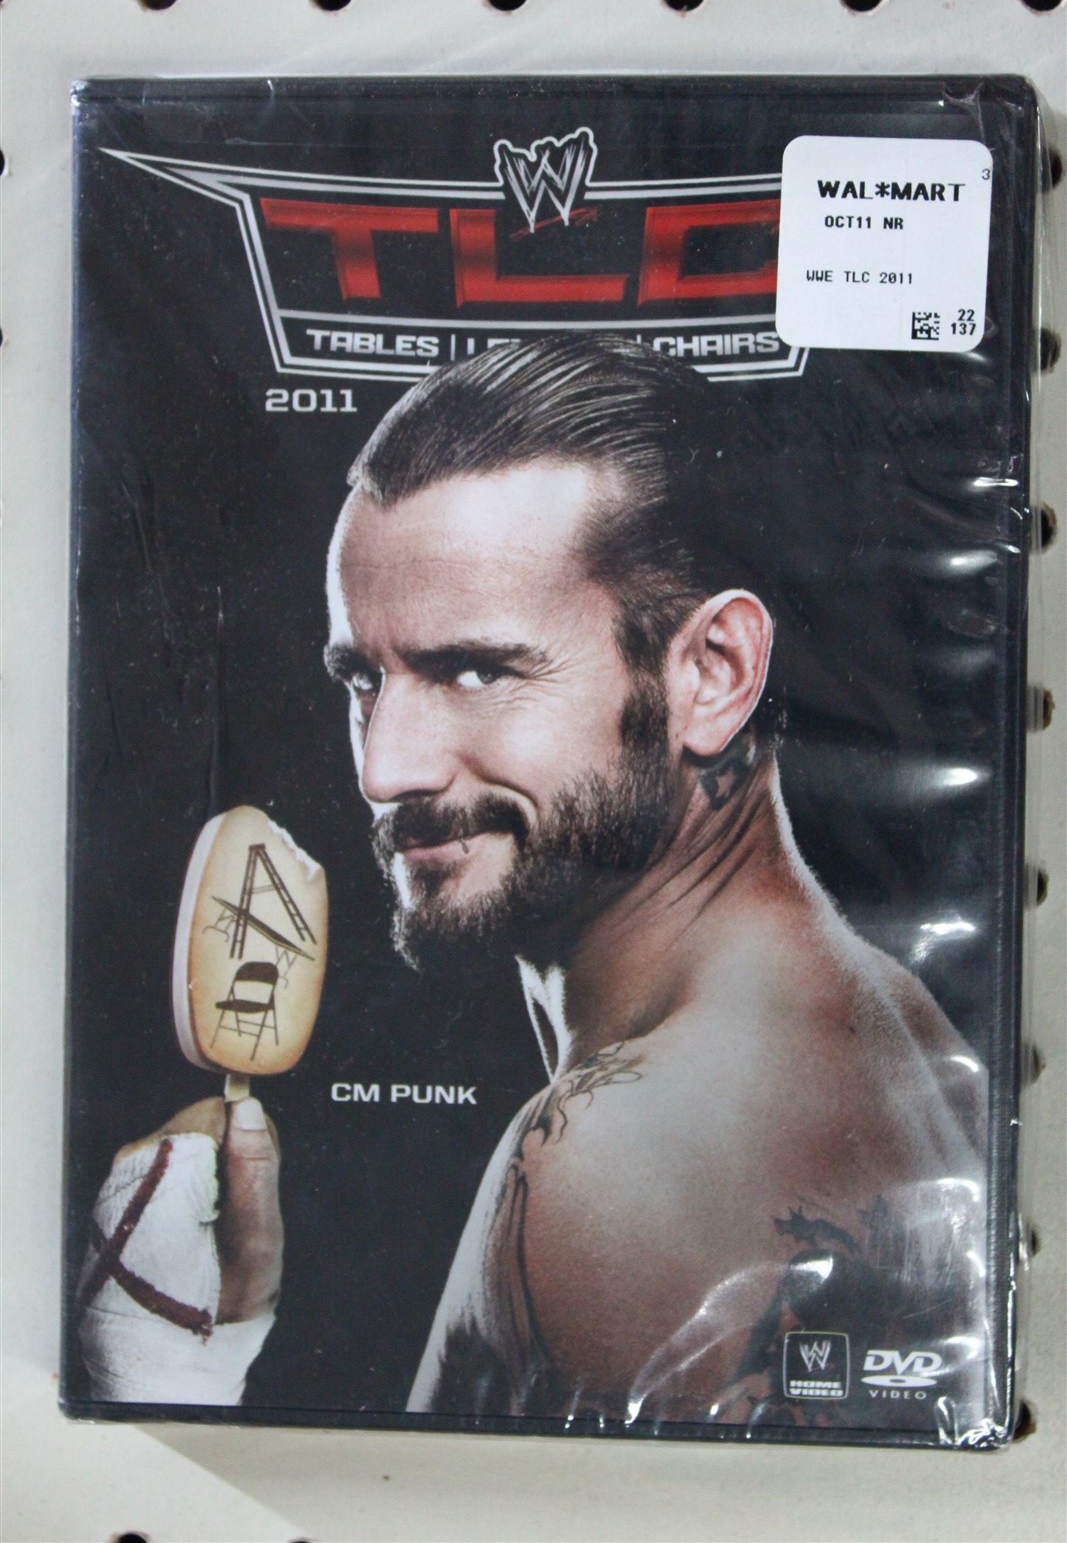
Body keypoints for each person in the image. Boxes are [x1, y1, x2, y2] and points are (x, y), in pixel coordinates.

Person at [80, 336, 987, 1427]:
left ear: (712, 673)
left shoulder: (604, 1161)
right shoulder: (889, 1024)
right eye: (363, 678)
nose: (384, 771)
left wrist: (158, 1386)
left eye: (476, 669)